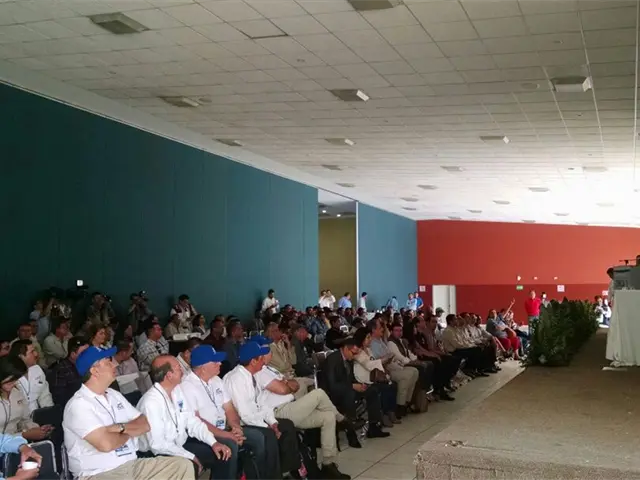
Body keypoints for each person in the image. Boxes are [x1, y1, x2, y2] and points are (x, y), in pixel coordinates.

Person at [63, 346, 194, 480]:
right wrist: (130, 432)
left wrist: (120, 428)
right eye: (108, 362)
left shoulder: (114, 395)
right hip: (99, 473)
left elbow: (145, 424)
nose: (114, 365)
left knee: (182, 466)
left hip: (131, 465)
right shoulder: (79, 404)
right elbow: (106, 444)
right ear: (94, 371)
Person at [255, 348, 352, 480]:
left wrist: (286, 383)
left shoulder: (270, 369)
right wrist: (285, 384)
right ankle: (341, 419)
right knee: (319, 394)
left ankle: (328, 464)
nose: (270, 354)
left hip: (291, 406)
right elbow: (283, 389)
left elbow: (292, 384)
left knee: (328, 417)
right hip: (279, 412)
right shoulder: (259, 372)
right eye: (267, 352)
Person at [181, 346, 275, 480]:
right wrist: (227, 435)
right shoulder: (187, 386)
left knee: (257, 437)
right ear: (203, 367)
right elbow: (196, 421)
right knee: (230, 444)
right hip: (202, 434)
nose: (220, 363)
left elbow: (229, 408)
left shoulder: (216, 380)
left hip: (223, 428)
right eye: (215, 362)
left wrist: (236, 427)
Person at [137, 355, 233, 480]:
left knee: (223, 452)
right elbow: (158, 445)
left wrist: (214, 442)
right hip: (157, 453)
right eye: (178, 368)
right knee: (190, 465)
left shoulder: (176, 391)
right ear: (169, 375)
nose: (182, 370)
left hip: (178, 445)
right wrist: (189, 456)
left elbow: (192, 421)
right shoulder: (151, 402)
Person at [223, 342, 300, 477]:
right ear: (253, 361)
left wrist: (272, 422)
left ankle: (287, 470)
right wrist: (266, 426)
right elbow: (245, 414)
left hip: (253, 418)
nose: (264, 361)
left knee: (286, 425)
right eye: (261, 358)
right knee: (268, 436)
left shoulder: (252, 375)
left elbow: (262, 404)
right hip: (239, 424)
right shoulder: (236, 379)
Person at [323, 337, 390, 439]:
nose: (355, 356)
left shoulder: (349, 359)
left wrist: (359, 385)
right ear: (346, 349)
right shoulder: (332, 360)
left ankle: (374, 427)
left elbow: (351, 377)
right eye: (353, 353)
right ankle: (352, 422)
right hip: (333, 392)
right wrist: (352, 386)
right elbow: (332, 385)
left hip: (347, 388)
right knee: (350, 392)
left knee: (372, 390)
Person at [0, 357, 52, 442]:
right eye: (11, 380)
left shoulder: (17, 391)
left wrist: (35, 429)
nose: (14, 383)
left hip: (18, 444)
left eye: (16, 379)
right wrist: (24, 435)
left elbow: (24, 420)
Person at [9, 340, 53, 413]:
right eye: (32, 352)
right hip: (16, 416)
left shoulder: (37, 370)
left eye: (35, 350)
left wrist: (49, 413)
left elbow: (45, 396)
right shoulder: (9, 377)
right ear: (21, 356)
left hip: (37, 415)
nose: (36, 354)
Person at [47, 337, 89, 407]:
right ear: (73, 355)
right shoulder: (61, 370)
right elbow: (60, 400)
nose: (88, 355)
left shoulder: (92, 366)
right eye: (84, 353)